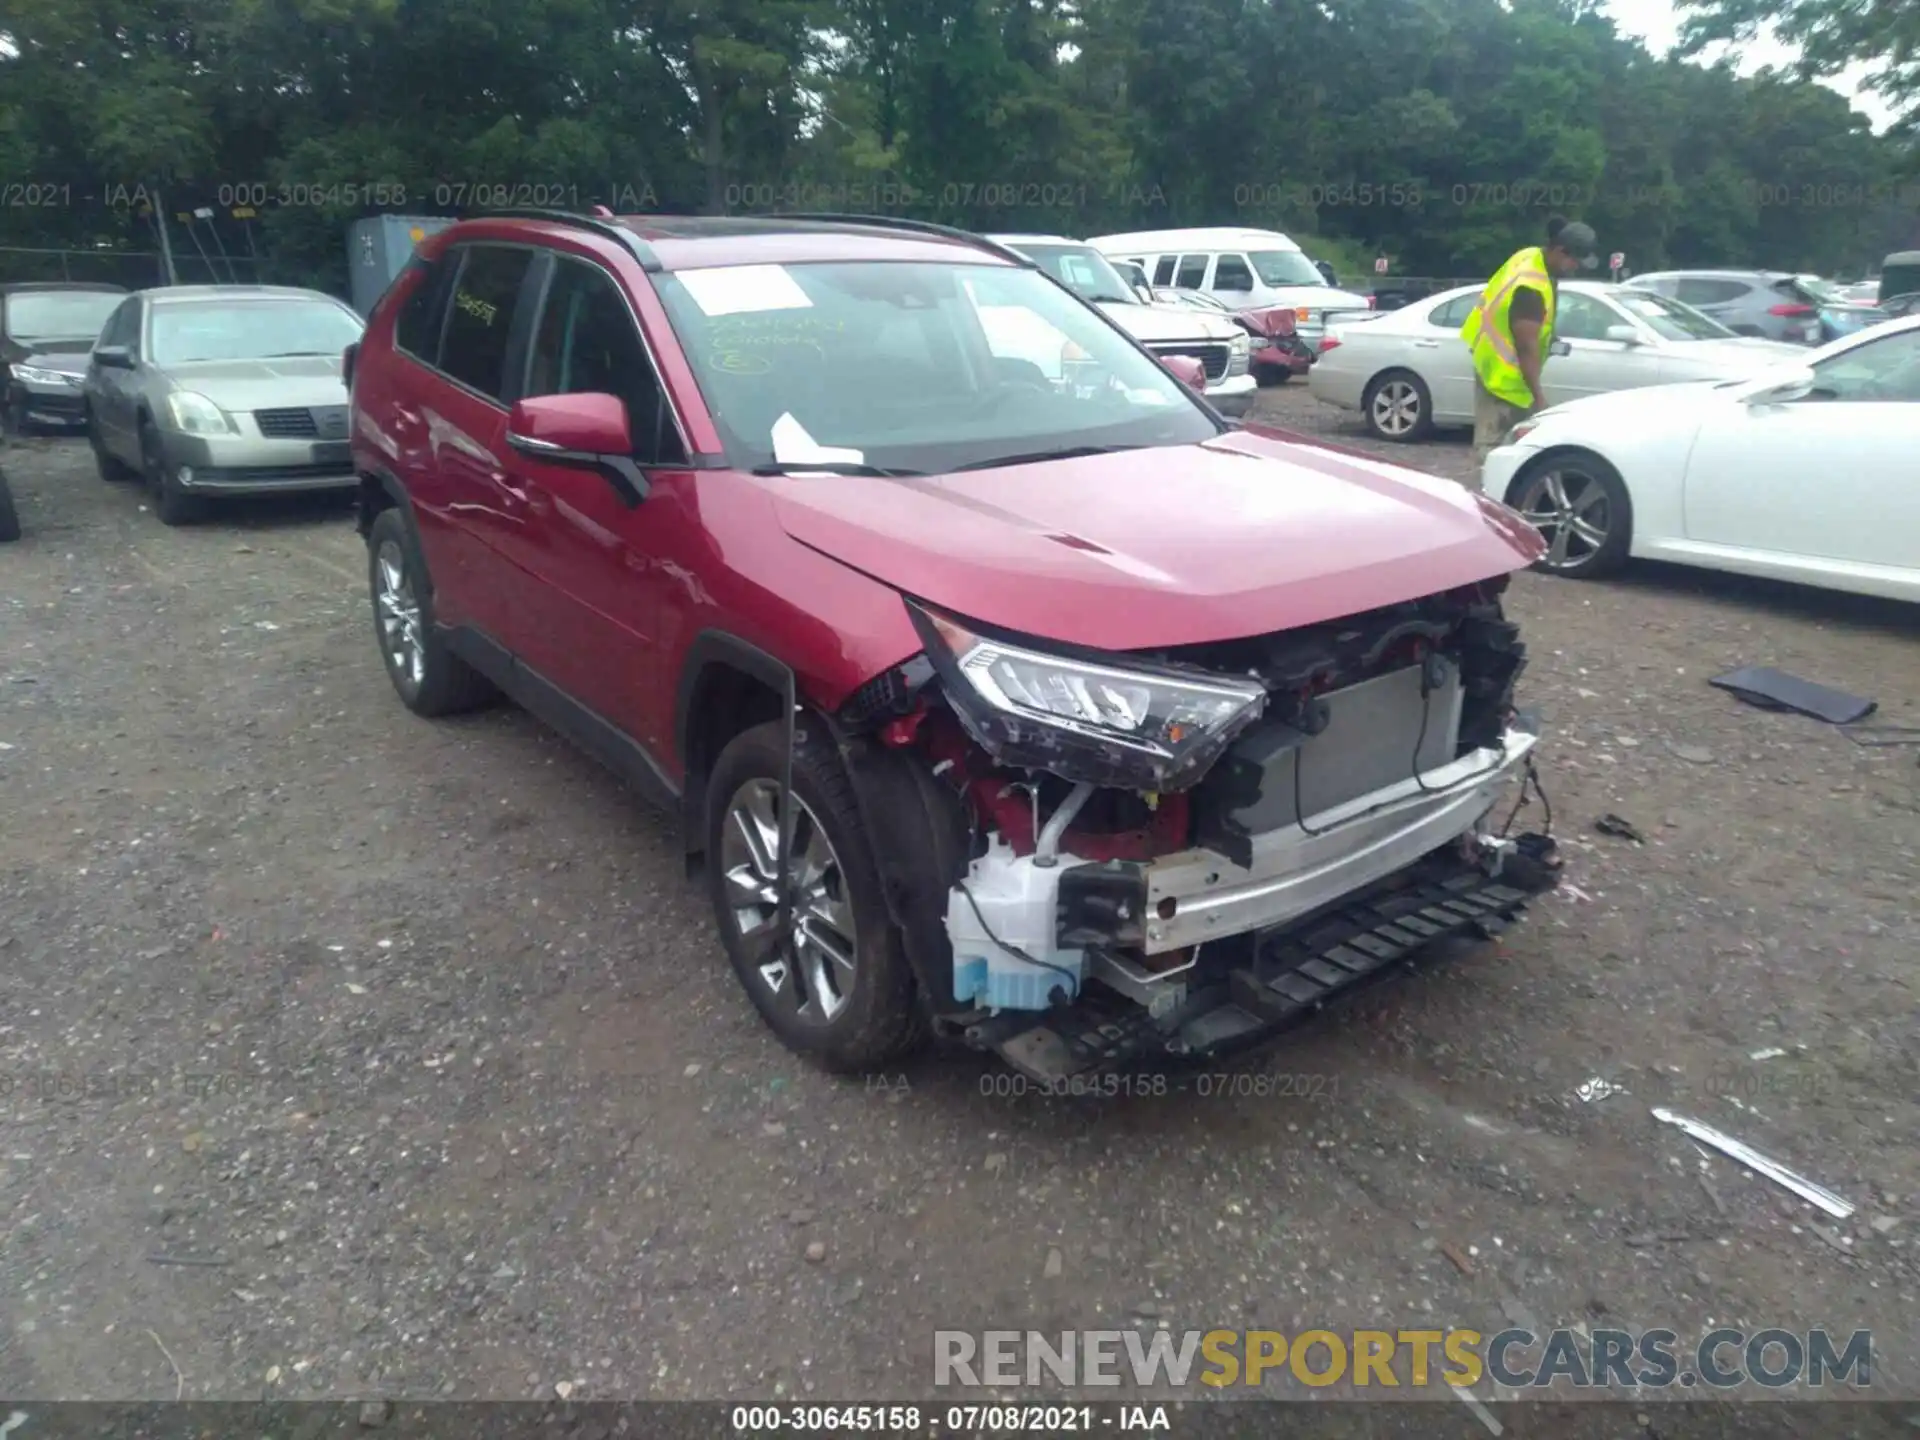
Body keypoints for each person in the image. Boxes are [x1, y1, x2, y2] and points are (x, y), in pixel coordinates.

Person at [1460, 216, 1599, 478]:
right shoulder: (1531, 288)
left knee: (1511, 450)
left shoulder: (1530, 255)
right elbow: (1526, 344)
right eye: (1574, 261)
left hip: (1492, 362)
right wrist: (1539, 396)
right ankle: (1487, 508)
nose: (1576, 267)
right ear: (1559, 251)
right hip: (1503, 378)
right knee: (1493, 452)